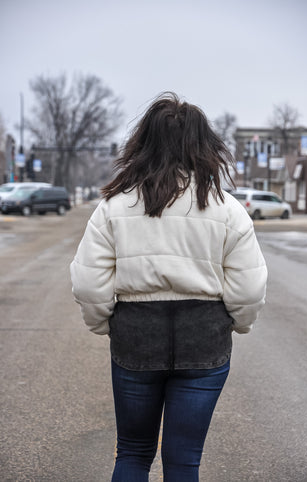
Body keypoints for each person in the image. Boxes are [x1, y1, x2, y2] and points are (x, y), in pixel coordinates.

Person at [70, 92, 267, 481]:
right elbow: (248, 289)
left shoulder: (113, 207)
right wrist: (237, 324)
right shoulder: (228, 210)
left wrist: (105, 324)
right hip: (204, 340)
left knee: (132, 452)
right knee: (184, 461)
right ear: (205, 147)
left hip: (136, 336)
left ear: (142, 144)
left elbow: (89, 283)